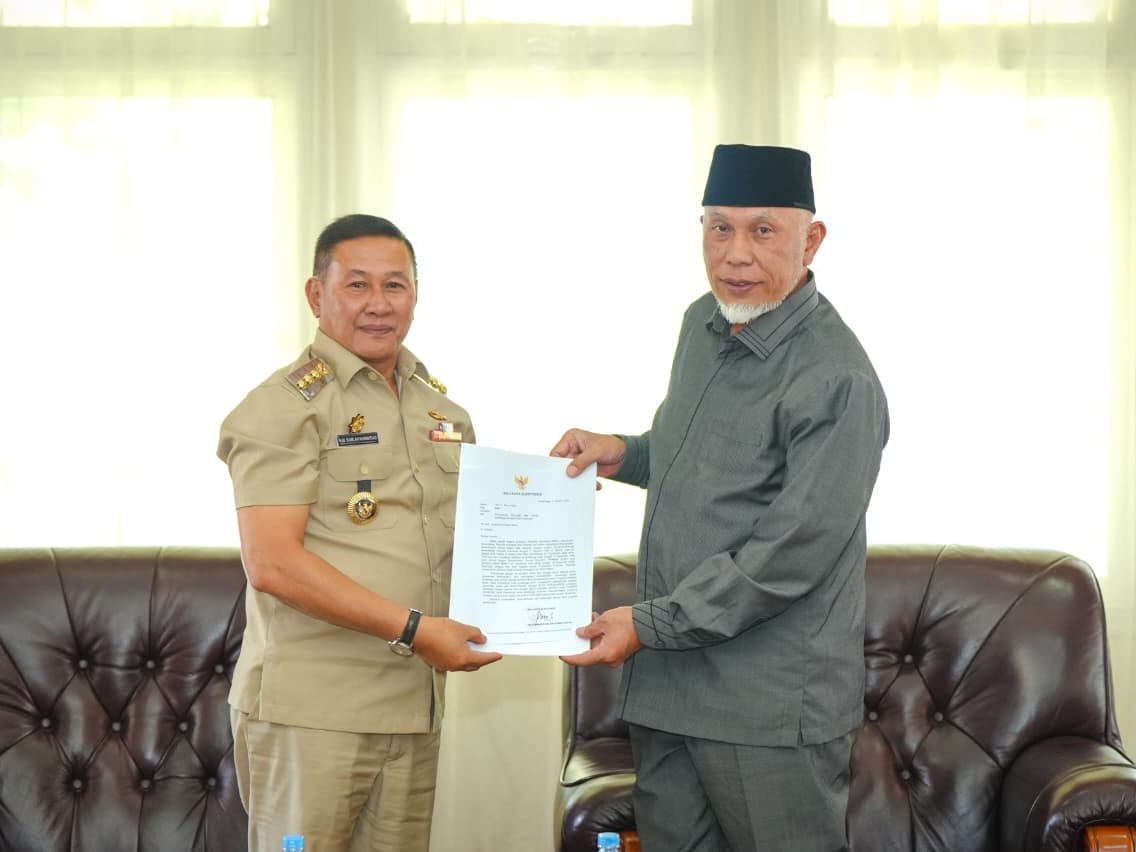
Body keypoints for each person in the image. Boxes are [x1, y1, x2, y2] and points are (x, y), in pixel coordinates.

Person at [552, 145, 889, 852]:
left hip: (764, 708)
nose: (735, 253)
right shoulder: (702, 325)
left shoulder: (838, 378)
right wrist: (623, 451)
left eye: (763, 230)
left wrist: (647, 623)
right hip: (672, 686)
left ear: (812, 239)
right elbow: (708, 462)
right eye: (718, 227)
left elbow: (785, 557)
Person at [217, 213, 502, 852]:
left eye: (395, 286)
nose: (379, 304)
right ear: (317, 295)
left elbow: (470, 540)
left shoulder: (442, 412)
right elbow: (273, 564)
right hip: (313, 716)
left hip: (411, 706)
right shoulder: (280, 409)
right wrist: (413, 629)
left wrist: (553, 507)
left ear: (416, 294)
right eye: (357, 285)